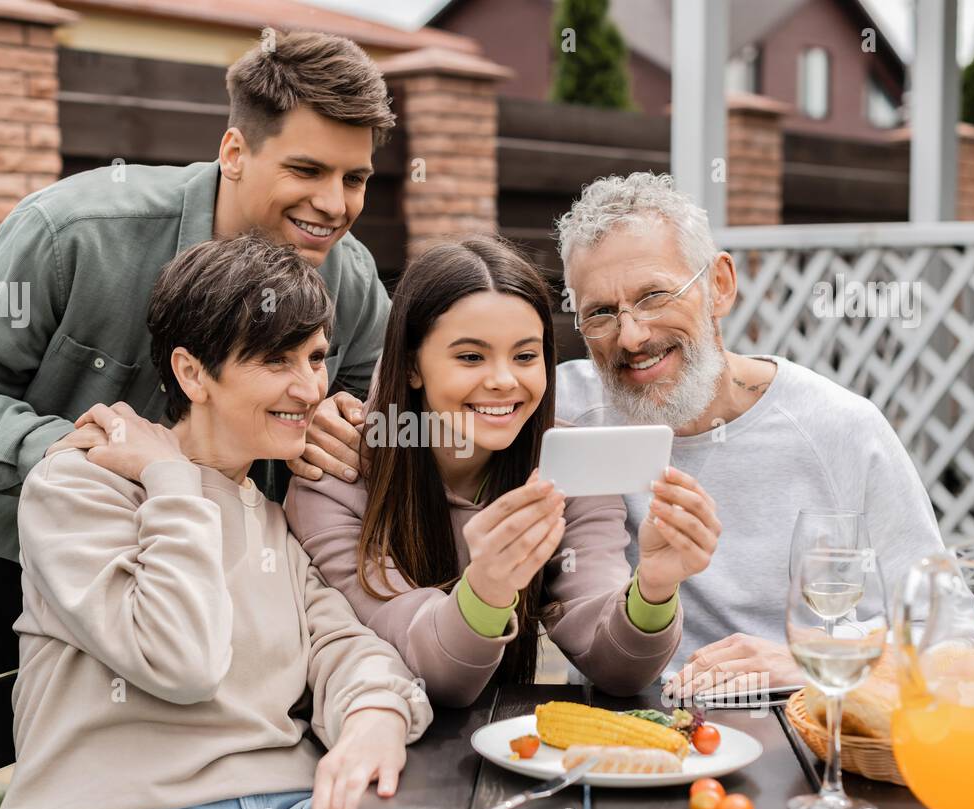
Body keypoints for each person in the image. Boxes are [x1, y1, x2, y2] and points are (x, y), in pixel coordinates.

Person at [0, 29, 384, 809]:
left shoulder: (344, 275)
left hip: (161, 569)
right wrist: (98, 451)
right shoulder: (75, 230)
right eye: (307, 171)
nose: (333, 205)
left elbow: (368, 395)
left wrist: (344, 418)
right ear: (234, 150)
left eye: (355, 179)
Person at [0, 234, 432, 809]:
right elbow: (182, 661)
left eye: (315, 359)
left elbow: (342, 645)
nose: (310, 389)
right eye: (278, 361)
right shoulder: (78, 489)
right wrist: (170, 480)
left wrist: (373, 716)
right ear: (191, 372)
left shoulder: (268, 516)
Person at [552, 172, 946, 698]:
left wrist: (812, 658)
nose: (631, 335)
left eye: (654, 296)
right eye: (600, 312)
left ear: (720, 284)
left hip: (797, 731)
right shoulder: (563, 409)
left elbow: (948, 633)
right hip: (622, 735)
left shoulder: (838, 427)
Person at [285, 237, 721, 707]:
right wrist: (487, 588)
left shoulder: (568, 465)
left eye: (525, 356)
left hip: (511, 755)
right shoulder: (335, 474)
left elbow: (614, 668)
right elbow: (428, 672)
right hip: (376, 748)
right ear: (412, 365)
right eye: (470, 357)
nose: (503, 380)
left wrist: (654, 588)